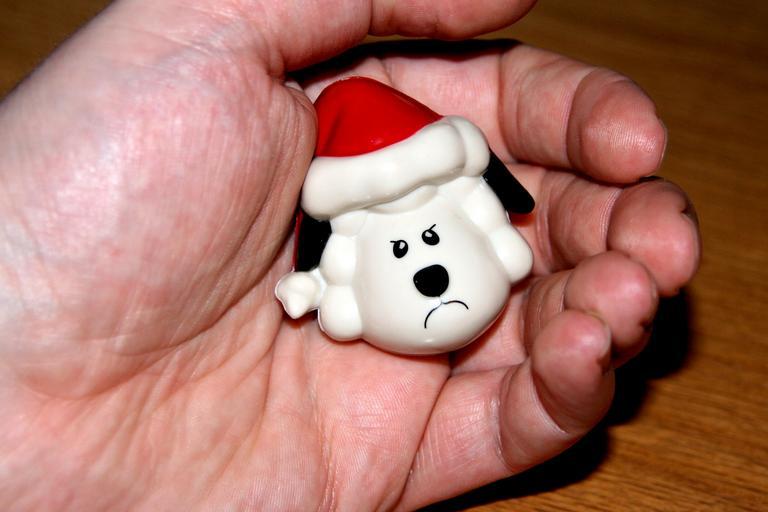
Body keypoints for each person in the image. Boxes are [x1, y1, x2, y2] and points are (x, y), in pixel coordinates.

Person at [0, 0, 700, 510]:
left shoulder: (441, 210)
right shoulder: (357, 241)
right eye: (409, 243)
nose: (426, 261)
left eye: (426, 239)